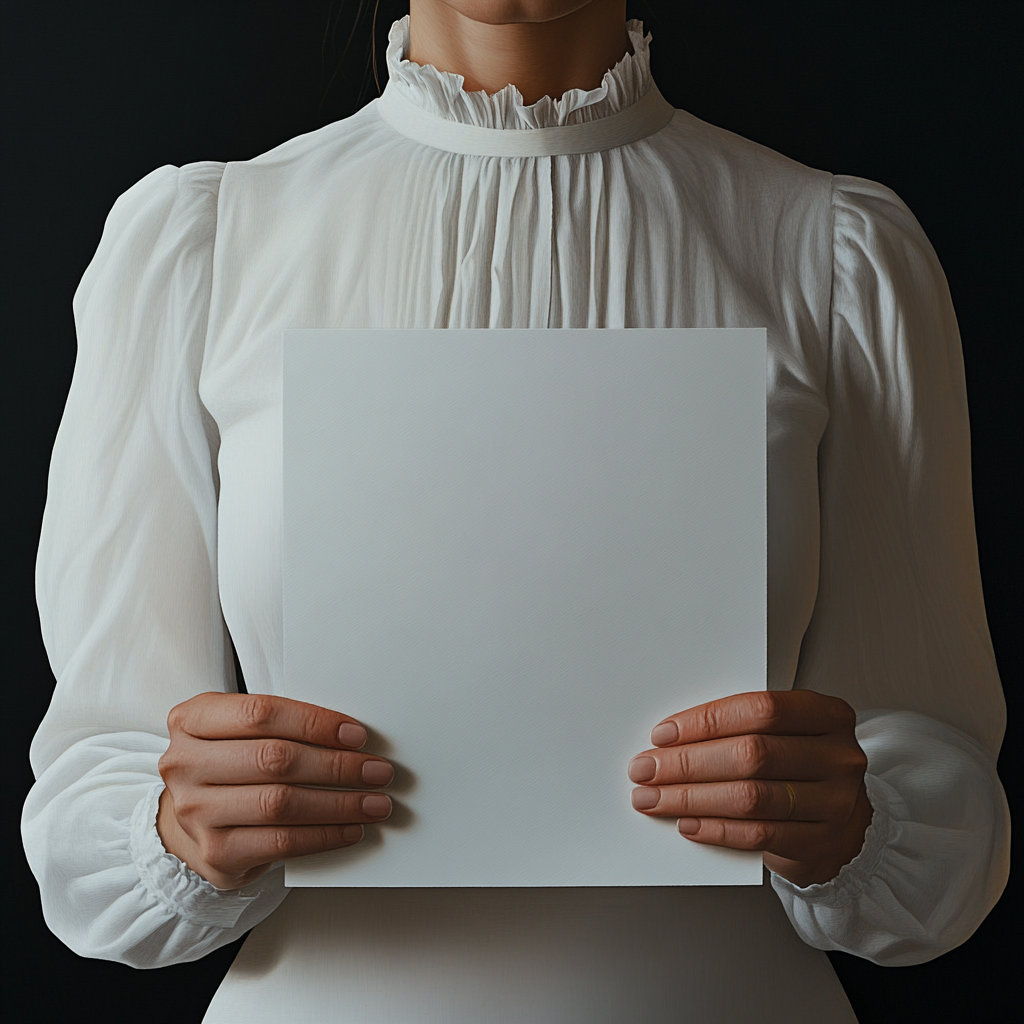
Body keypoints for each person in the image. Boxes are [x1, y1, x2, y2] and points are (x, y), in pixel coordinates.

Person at [21, 2, 1009, 1021]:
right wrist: (180, 830)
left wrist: (851, 819)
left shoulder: (835, 252)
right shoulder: (202, 244)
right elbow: (88, 801)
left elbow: (945, 821)